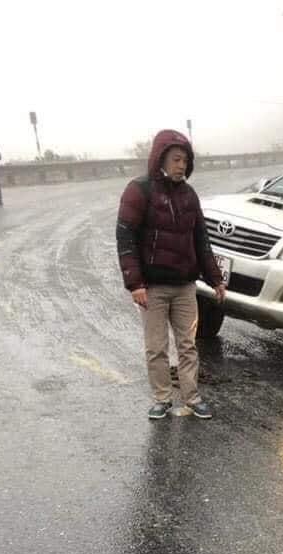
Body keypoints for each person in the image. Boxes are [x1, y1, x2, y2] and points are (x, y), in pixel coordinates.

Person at [116, 129, 226, 420]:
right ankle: (162, 398)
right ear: (160, 159)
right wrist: (135, 283)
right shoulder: (139, 190)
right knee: (157, 348)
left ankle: (192, 397)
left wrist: (215, 278)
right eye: (176, 159)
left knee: (188, 345)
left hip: (185, 286)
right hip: (152, 287)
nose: (181, 165)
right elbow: (125, 238)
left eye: (185, 161)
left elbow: (201, 239)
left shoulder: (189, 195)